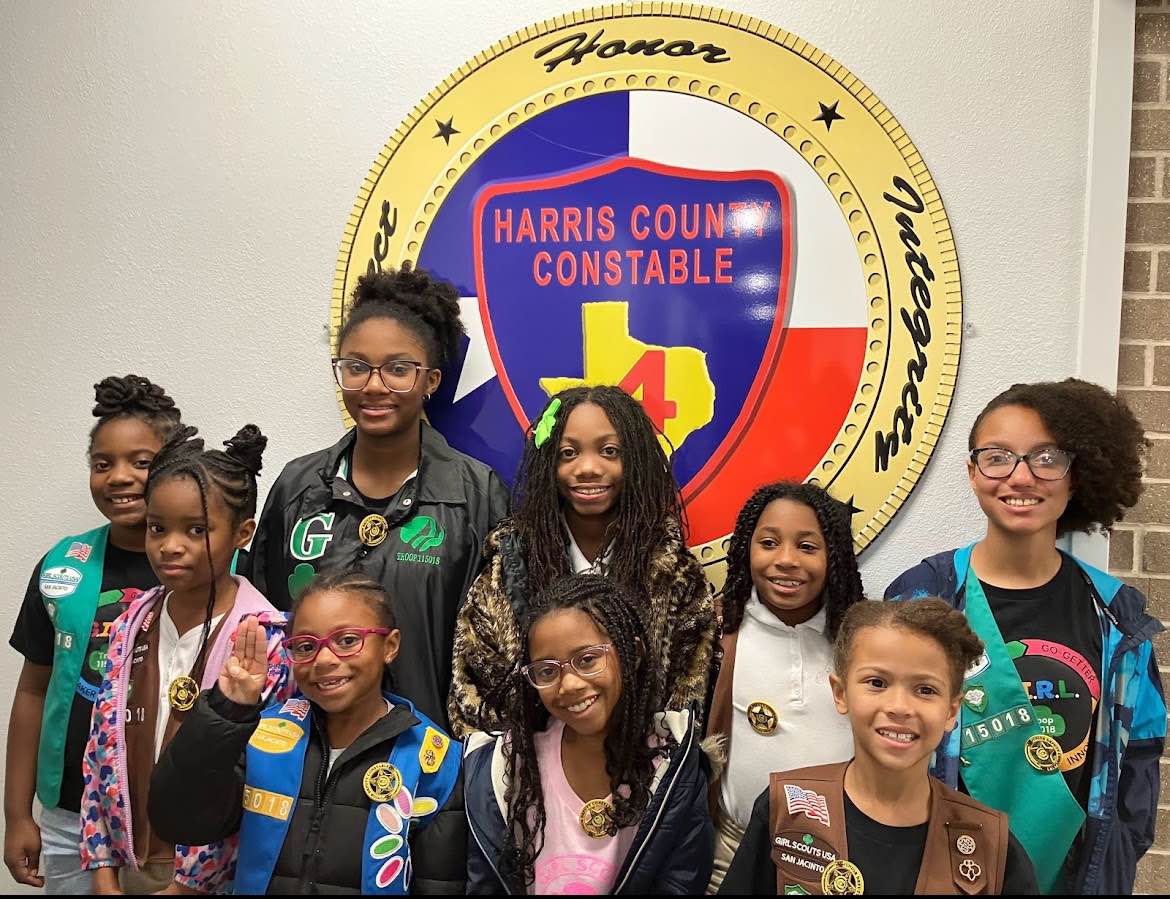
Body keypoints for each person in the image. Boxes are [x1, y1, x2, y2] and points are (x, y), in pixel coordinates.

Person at [885, 378, 1166, 894]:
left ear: (1074, 475)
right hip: (938, 876)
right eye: (998, 457)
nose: (1021, 477)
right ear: (972, 474)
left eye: (1046, 458)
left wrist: (1112, 869)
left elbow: (1138, 767)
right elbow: (881, 747)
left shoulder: (1118, 619)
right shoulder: (923, 597)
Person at [245, 264, 508, 728]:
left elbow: (497, 651)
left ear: (431, 379)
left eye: (399, 369)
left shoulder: (475, 495)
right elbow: (266, 629)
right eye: (357, 367)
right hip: (301, 762)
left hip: (430, 769)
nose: (373, 386)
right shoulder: (297, 487)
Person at [149, 569, 466, 894]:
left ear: (390, 645)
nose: (324, 659)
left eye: (347, 641)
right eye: (304, 646)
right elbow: (178, 820)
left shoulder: (435, 759)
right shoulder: (263, 737)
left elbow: (441, 883)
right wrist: (228, 709)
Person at [80, 425, 291, 894]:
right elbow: (99, 750)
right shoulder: (128, 622)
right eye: (158, 527)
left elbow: (261, 778)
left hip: (215, 881)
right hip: (123, 865)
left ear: (242, 533)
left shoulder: (263, 639)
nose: (170, 545)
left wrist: (190, 885)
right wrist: (101, 869)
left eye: (196, 530)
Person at [720, 599, 1038, 895]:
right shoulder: (785, 808)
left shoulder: (989, 843)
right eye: (877, 683)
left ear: (952, 710)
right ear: (841, 693)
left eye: (925, 689)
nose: (899, 706)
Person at [449, 386, 713, 736]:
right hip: (531, 775)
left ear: (634, 461)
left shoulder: (676, 577)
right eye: (568, 453)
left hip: (643, 776)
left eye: (609, 451)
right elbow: (472, 697)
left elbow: (689, 699)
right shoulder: (507, 571)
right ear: (548, 465)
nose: (588, 468)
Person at [4, 375, 181, 893]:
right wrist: (18, 814)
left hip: (173, 818)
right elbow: (33, 690)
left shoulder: (216, 567)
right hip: (70, 814)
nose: (119, 477)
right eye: (103, 464)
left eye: (141, 462)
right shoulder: (64, 566)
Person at [464, 573, 713, 894]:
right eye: (547, 670)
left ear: (631, 655)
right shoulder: (507, 768)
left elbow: (681, 881)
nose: (569, 684)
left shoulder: (674, 765)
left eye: (587, 659)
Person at [705, 482, 864, 891]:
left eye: (808, 547)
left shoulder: (862, 639)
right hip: (733, 852)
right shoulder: (714, 634)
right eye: (769, 543)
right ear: (745, 549)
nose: (786, 561)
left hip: (842, 858)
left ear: (835, 557)